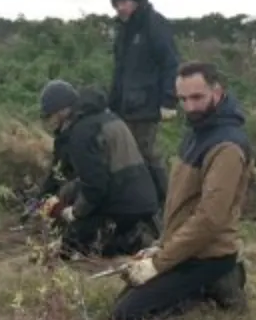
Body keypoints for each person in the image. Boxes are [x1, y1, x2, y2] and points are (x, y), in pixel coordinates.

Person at [113, 62, 250, 320]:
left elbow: (209, 219)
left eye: (197, 97)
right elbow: (183, 203)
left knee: (126, 315)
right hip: (186, 249)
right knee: (124, 302)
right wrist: (159, 247)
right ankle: (211, 285)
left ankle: (220, 283)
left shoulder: (227, 146)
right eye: (183, 99)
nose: (189, 107)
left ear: (218, 92)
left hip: (209, 255)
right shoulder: (196, 133)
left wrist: (159, 263)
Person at [34, 79, 161, 261]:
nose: (49, 120)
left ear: (63, 111)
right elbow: (72, 173)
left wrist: (74, 213)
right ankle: (132, 233)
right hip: (141, 199)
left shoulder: (81, 133)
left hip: (124, 206)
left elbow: (95, 186)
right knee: (74, 198)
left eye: (50, 115)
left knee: (71, 247)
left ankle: (132, 240)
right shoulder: (105, 117)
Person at [107, 0, 180, 174]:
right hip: (125, 106)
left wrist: (169, 101)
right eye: (116, 4)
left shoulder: (154, 24)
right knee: (126, 155)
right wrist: (112, 102)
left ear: (136, 2)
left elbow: (170, 62)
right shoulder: (123, 30)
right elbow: (120, 70)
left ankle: (164, 198)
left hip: (147, 104)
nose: (120, 8)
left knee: (146, 154)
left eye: (124, 2)